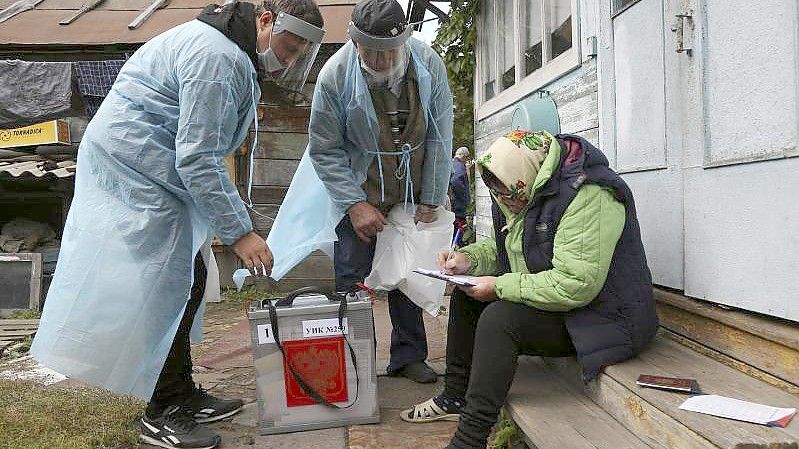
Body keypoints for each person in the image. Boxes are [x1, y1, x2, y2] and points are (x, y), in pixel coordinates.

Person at [29, 1, 325, 448]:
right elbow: (197, 158)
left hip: (155, 167)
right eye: (288, 45)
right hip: (136, 169)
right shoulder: (218, 59)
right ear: (266, 21)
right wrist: (240, 231)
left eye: (300, 52)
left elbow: (198, 151)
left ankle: (180, 392)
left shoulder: (229, 50)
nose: (289, 59)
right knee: (166, 287)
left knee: (192, 276)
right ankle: (160, 410)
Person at [401, 130, 659, 449]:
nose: (504, 200)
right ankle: (456, 397)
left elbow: (575, 284)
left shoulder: (590, 194)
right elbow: (508, 248)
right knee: (468, 299)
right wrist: (467, 260)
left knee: (500, 318)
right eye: (497, 193)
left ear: (528, 175)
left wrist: (500, 285)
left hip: (603, 318)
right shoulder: (526, 185)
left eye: (509, 194)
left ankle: (469, 440)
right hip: (568, 307)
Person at [308, 0, 453, 383]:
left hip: (410, 189)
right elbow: (324, 149)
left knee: (408, 273)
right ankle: (352, 366)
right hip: (359, 189)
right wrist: (354, 204)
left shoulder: (427, 63)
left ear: (404, 40)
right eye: (370, 51)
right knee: (353, 280)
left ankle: (408, 357)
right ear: (354, 43)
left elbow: (440, 134)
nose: (381, 59)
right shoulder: (334, 77)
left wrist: (431, 196)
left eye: (389, 51)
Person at [450, 146, 471, 244]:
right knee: (458, 238)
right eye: (467, 158)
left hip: (453, 208)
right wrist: (462, 198)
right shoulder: (459, 167)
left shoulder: (452, 164)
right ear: (464, 157)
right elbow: (456, 181)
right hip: (458, 209)